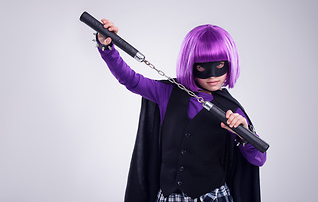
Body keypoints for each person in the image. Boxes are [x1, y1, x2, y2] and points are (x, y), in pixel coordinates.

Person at [94, 19, 267, 202]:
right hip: (170, 196)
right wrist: (107, 48)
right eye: (202, 67)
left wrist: (244, 134)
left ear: (230, 63)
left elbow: (258, 159)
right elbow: (130, 80)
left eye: (219, 66)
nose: (213, 76)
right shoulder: (167, 93)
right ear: (190, 63)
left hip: (213, 197)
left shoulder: (232, 109)